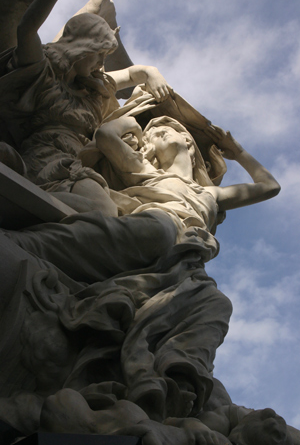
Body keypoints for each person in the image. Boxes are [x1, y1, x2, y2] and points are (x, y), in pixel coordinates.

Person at [4, 114, 280, 422]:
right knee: (160, 231)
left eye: (161, 131)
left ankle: (175, 381)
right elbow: (108, 136)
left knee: (216, 301)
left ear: (187, 142)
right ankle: (24, 244)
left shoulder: (209, 193)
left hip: (185, 258)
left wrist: (237, 150)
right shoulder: (146, 171)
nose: (152, 139)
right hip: (156, 232)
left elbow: (268, 186)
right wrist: (132, 121)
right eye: (148, 137)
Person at [0, 0, 172, 213]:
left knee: (115, 214)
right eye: (99, 54)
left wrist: (151, 72)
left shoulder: (92, 90)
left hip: (76, 164)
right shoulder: (42, 75)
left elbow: (130, 75)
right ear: (82, 47)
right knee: (105, 212)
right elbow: (26, 29)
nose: (102, 63)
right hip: (45, 160)